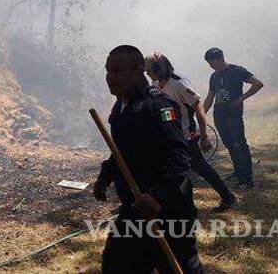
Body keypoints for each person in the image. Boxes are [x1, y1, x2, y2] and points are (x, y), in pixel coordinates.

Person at [93, 45, 203, 274]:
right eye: (108, 70)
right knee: (116, 266)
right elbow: (122, 151)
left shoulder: (159, 106)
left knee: (179, 266)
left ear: (138, 70)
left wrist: (156, 196)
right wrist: (105, 177)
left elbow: (178, 155)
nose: (110, 77)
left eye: (118, 70)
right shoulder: (121, 106)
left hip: (167, 207)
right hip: (135, 206)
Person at [145, 52, 237, 212]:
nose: (147, 74)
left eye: (149, 70)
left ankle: (227, 197)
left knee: (199, 167)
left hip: (187, 135)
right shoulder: (156, 84)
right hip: (173, 135)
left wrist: (204, 136)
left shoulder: (178, 84)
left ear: (158, 69)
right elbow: (167, 109)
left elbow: (198, 107)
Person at [203, 48, 263, 190]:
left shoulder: (237, 71)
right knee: (229, 144)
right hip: (219, 115)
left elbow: (258, 84)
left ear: (220, 58)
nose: (211, 66)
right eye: (209, 63)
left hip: (233, 114)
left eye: (212, 62)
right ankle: (238, 172)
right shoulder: (214, 76)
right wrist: (200, 115)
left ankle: (246, 179)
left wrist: (240, 99)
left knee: (240, 144)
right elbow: (210, 98)